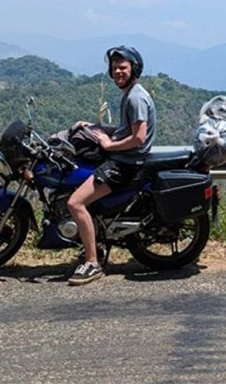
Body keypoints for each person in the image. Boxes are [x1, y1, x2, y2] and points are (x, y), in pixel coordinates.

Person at [66, 46, 157, 285]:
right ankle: (94, 241)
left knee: (75, 203)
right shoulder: (131, 94)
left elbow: (138, 138)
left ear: (134, 69)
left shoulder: (136, 97)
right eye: (114, 67)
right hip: (124, 159)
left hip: (125, 163)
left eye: (122, 67)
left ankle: (92, 264)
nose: (117, 71)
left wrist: (108, 144)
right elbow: (126, 130)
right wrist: (94, 127)